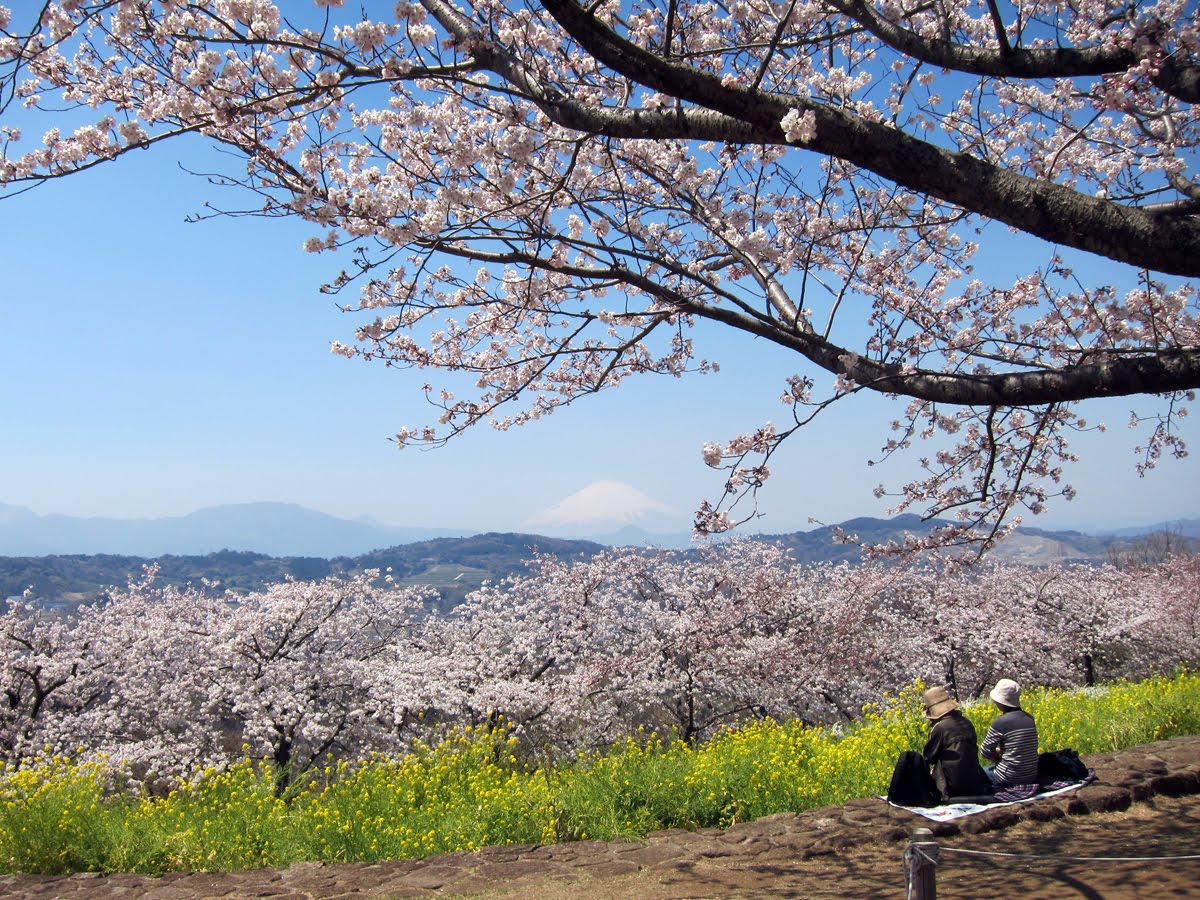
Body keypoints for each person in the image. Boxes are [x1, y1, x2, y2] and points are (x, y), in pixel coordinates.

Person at [920, 685, 992, 800]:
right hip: (975, 783)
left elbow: (928, 757)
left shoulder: (940, 728)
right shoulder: (966, 722)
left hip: (953, 787)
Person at [980, 678, 1039, 787]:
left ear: (1001, 702)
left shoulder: (1001, 722)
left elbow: (985, 752)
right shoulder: (1029, 718)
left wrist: (997, 757)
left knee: (980, 773)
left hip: (1008, 778)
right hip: (1031, 775)